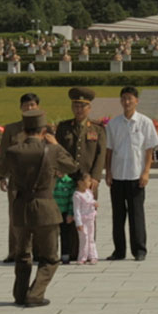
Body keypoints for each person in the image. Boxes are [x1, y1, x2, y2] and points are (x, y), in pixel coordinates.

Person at [0, 109, 78, 307]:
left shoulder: (13, 151)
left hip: (21, 207)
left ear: (24, 130)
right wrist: (56, 145)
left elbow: (2, 170)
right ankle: (35, 294)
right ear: (44, 131)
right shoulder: (52, 150)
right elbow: (72, 166)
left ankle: (20, 294)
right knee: (50, 258)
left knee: (22, 255)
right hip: (45, 208)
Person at [105, 86, 158, 261]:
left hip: (136, 175)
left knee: (136, 215)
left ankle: (139, 250)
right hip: (117, 175)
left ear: (137, 101)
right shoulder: (113, 124)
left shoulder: (145, 122)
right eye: (124, 98)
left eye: (130, 98)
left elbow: (149, 149)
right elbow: (109, 150)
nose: (127, 102)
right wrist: (108, 172)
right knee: (118, 215)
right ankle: (119, 250)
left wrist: (146, 172)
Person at [55, 87, 106, 260]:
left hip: (87, 180)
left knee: (88, 217)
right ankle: (70, 252)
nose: (79, 110)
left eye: (82, 106)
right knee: (68, 216)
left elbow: (100, 154)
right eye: (76, 106)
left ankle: (89, 252)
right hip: (67, 179)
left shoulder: (97, 129)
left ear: (89, 108)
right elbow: (58, 151)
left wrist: (96, 177)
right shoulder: (64, 128)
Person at [0, 93, 41, 263]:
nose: (29, 108)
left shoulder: (45, 129)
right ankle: (16, 251)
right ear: (20, 107)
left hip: (38, 180)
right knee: (15, 216)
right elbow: (4, 154)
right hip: (17, 180)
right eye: (26, 105)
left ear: (37, 107)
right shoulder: (11, 129)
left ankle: (38, 251)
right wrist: (2, 176)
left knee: (38, 216)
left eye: (32, 105)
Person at [73, 175, 99, 265]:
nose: (89, 183)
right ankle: (82, 257)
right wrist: (78, 223)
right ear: (80, 182)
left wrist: (94, 203)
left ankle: (93, 256)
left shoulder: (89, 192)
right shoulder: (77, 195)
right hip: (82, 220)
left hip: (90, 218)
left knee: (91, 237)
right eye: (88, 181)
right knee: (84, 238)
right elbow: (76, 210)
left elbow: (91, 200)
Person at [53, 174, 76, 265]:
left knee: (65, 235)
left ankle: (65, 255)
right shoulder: (52, 181)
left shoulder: (69, 182)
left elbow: (71, 199)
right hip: (53, 212)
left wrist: (70, 213)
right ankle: (52, 255)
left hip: (65, 212)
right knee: (52, 235)